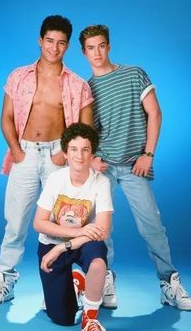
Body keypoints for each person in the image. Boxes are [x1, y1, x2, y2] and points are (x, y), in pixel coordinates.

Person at [0, 15, 94, 306]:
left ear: (68, 46)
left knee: (61, 223)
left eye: (61, 43)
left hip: (60, 156)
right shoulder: (18, 76)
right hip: (26, 153)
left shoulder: (78, 84)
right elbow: (6, 117)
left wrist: (65, 153)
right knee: (16, 221)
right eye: (49, 41)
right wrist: (17, 150)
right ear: (39, 40)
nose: (54, 48)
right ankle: (5, 280)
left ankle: (59, 288)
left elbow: (86, 129)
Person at [78, 24, 191, 311]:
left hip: (133, 165)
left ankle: (169, 284)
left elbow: (155, 113)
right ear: (83, 52)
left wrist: (148, 154)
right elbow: (89, 132)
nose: (97, 52)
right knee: (101, 229)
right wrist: (91, 159)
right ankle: (105, 282)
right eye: (91, 48)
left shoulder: (134, 74)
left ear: (109, 46)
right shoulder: (87, 89)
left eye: (102, 45)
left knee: (152, 225)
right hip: (102, 167)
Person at [33, 122, 113, 331]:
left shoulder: (101, 182)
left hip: (83, 243)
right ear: (66, 153)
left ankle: (90, 318)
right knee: (62, 318)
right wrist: (76, 232)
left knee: (97, 262)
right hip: (52, 243)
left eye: (85, 149)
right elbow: (38, 223)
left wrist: (64, 246)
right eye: (74, 149)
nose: (79, 155)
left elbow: (103, 230)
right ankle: (77, 282)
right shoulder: (55, 179)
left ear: (92, 153)